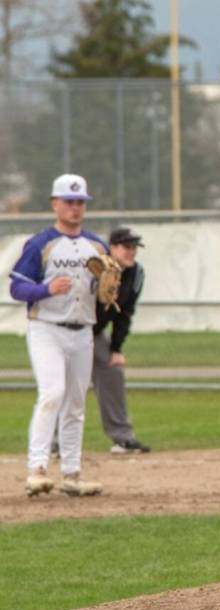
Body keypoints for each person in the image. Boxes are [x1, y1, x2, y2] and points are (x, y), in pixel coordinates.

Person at [9, 174, 105, 497]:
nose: (75, 208)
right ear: (55, 204)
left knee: (76, 404)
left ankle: (72, 474)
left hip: (82, 331)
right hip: (47, 328)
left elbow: (103, 292)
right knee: (52, 393)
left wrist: (109, 290)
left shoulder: (97, 246)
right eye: (69, 202)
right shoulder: (40, 244)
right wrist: (46, 289)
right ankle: (36, 470)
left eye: (80, 202)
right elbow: (17, 287)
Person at [93, 227, 150, 454]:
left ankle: (122, 438)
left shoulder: (135, 273)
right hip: (72, 332)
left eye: (134, 248)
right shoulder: (95, 267)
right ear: (113, 248)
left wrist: (116, 348)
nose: (131, 252)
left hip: (96, 334)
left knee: (113, 373)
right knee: (64, 387)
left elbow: (125, 313)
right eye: (126, 247)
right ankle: (54, 443)